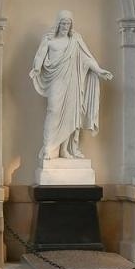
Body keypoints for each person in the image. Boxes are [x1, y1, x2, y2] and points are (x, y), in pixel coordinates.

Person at [28, 10, 112, 160]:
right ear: (58, 24)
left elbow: (87, 59)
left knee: (71, 115)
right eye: (63, 23)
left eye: (68, 23)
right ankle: (48, 148)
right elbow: (40, 55)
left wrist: (99, 71)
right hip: (56, 80)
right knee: (53, 111)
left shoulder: (76, 40)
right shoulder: (49, 40)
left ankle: (64, 150)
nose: (66, 26)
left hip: (73, 82)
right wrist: (36, 68)